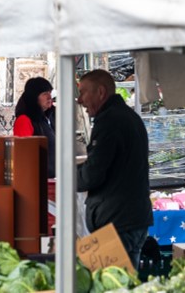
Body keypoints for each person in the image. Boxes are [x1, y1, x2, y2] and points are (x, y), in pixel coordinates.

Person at [76, 70, 150, 272]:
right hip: (129, 218)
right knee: (124, 281)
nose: (80, 100)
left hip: (118, 222)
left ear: (100, 92)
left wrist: (70, 176)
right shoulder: (126, 117)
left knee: (114, 283)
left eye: (83, 92)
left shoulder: (110, 121)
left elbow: (94, 173)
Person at [12, 76, 56, 177]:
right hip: (38, 181)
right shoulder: (24, 120)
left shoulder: (49, 117)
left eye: (50, 92)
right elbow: (23, 156)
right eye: (45, 94)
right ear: (34, 98)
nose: (49, 97)